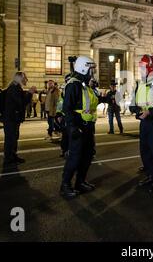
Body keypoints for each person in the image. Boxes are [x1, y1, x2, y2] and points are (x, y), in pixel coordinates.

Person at [60, 56, 98, 199]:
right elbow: (67, 108)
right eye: (90, 68)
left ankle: (80, 182)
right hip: (78, 127)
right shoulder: (73, 84)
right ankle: (65, 185)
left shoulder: (85, 84)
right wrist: (73, 127)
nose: (92, 72)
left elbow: (89, 104)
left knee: (87, 155)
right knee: (74, 158)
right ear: (83, 67)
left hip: (87, 127)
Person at [129, 55, 153, 193]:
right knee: (145, 151)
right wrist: (137, 110)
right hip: (144, 123)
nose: (140, 69)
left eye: (142, 67)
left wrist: (150, 112)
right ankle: (151, 175)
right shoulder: (140, 83)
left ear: (150, 67)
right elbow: (133, 103)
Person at [2, 72, 31, 164]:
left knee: (14, 138)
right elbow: (21, 103)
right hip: (11, 118)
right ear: (20, 79)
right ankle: (9, 158)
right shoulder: (13, 89)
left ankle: (13, 155)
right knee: (10, 138)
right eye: (25, 78)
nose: (26, 80)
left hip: (13, 118)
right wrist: (30, 93)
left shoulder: (16, 88)